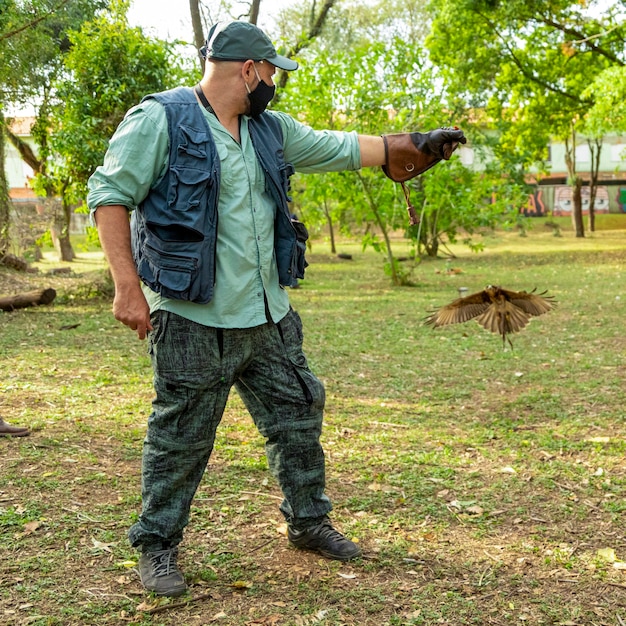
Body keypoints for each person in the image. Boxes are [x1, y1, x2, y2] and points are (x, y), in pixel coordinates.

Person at [87, 20, 465, 597]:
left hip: (268, 315)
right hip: (192, 316)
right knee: (180, 435)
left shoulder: (269, 129)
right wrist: (126, 285)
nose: (274, 83)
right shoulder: (159, 119)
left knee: (298, 416)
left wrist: (409, 144)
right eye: (271, 73)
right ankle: (158, 545)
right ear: (248, 70)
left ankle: (309, 523)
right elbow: (110, 196)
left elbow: (339, 146)